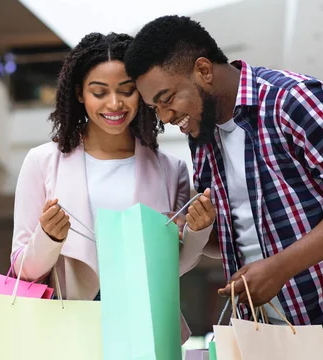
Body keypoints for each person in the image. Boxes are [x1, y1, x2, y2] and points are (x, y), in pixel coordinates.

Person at [123, 15, 323, 359]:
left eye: (167, 97)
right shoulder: (203, 135)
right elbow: (242, 236)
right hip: (272, 338)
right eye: (154, 107)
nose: (164, 116)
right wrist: (194, 228)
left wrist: (280, 268)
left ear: (203, 70)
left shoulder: (292, 99)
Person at [11, 32, 215, 342]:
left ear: (142, 94)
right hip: (67, 329)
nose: (114, 103)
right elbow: (23, 270)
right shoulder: (42, 162)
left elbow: (172, 270)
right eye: (99, 92)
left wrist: (198, 233)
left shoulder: (171, 170)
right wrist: (49, 238)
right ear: (80, 94)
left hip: (145, 328)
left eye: (127, 91)